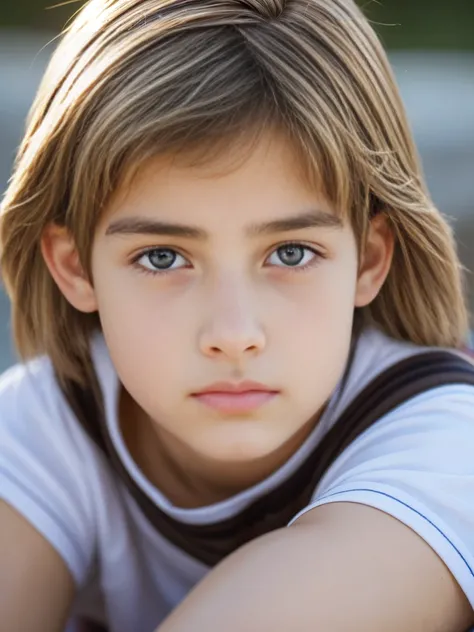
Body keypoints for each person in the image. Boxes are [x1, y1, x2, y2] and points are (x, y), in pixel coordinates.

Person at [1, 0, 474, 630]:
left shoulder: (445, 446)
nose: (232, 335)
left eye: (291, 252)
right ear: (75, 267)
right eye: (164, 257)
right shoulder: (42, 430)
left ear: (369, 259)